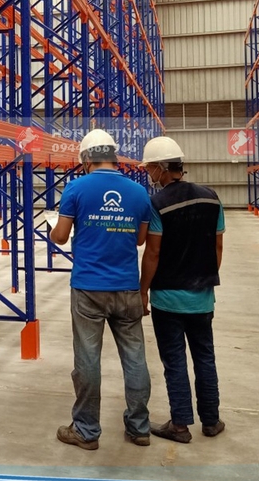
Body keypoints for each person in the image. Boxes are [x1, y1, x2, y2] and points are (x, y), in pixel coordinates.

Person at [49, 129, 153, 450]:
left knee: (88, 359)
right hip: (127, 286)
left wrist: (54, 229)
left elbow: (61, 237)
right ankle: (139, 427)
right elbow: (140, 239)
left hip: (88, 288)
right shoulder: (139, 192)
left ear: (86, 159)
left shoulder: (76, 188)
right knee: (135, 358)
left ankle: (86, 429)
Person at [139, 136, 225, 443]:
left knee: (174, 362)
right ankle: (211, 421)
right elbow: (217, 246)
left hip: (168, 298)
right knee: (205, 358)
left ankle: (179, 425)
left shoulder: (157, 204)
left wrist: (143, 291)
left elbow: (152, 253)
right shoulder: (211, 197)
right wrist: (204, 276)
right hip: (202, 297)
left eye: (150, 168)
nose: (149, 173)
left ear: (162, 168)